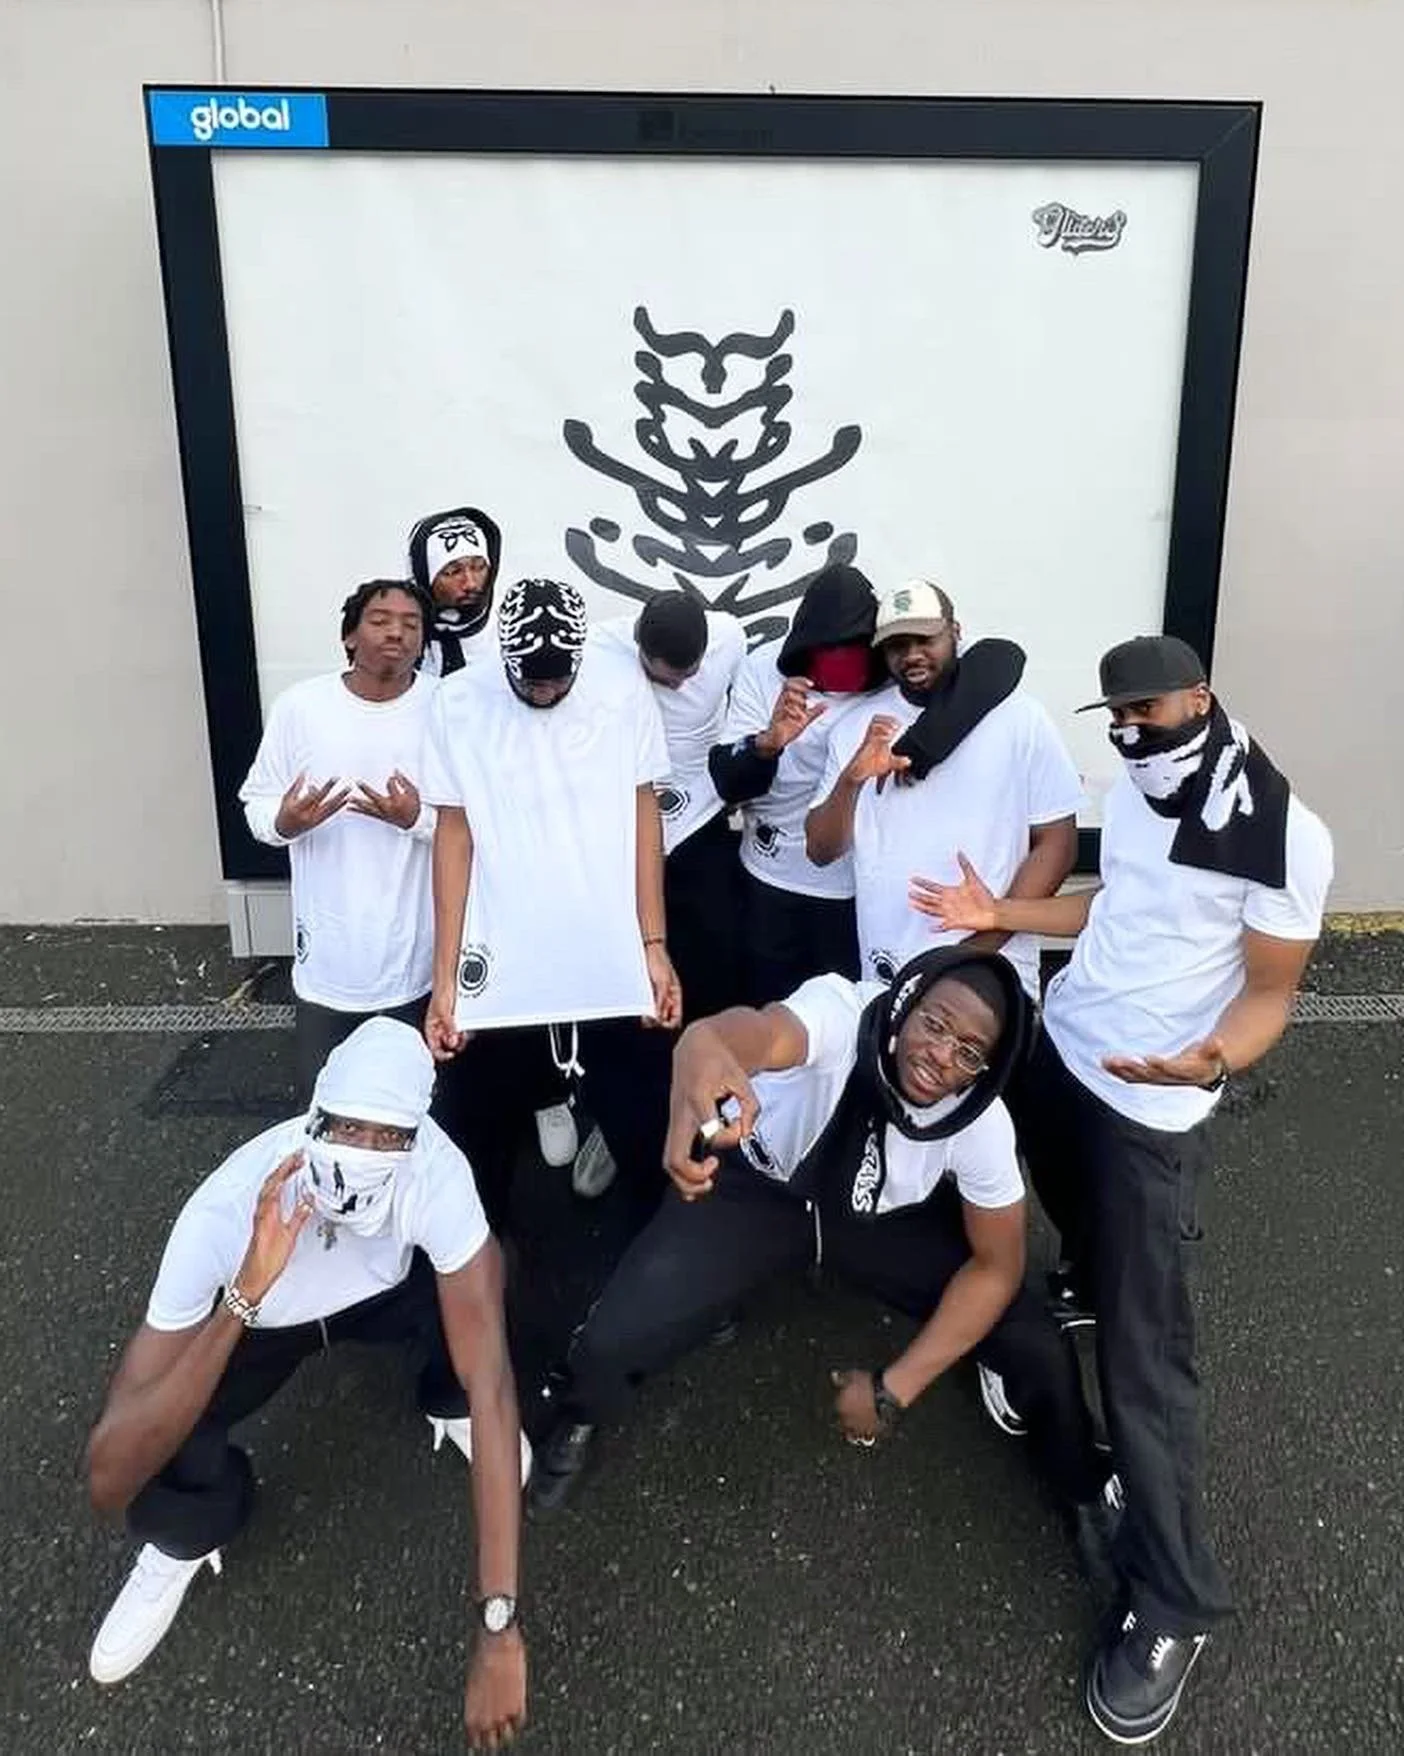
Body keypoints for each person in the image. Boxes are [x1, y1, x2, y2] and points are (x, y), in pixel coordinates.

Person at [911, 635, 1334, 1745]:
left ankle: (1173, 1600)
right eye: (1120, 718)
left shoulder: (1282, 833)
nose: (1135, 734)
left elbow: (1271, 994)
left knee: (1148, 1375)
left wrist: (1215, 1061)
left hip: (1156, 1108)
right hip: (1070, 1052)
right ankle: (1082, 1283)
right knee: (1054, 1201)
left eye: (1151, 711)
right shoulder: (1144, 791)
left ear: (1201, 695)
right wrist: (999, 913)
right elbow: (1115, 908)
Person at [529, 947, 1118, 1588]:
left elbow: (995, 1266)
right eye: (935, 1025)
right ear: (905, 1005)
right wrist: (701, 1047)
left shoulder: (979, 1123)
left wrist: (894, 1390)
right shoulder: (843, 1014)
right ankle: (582, 1409)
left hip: (879, 1224)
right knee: (614, 1335)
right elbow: (754, 1032)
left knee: (1032, 1338)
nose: (943, 1055)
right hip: (762, 1193)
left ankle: (1081, 1483)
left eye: (970, 1052)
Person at [85, 1020, 529, 1749]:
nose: (364, 1152)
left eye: (387, 1137)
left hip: (384, 1294)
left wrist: (499, 1622)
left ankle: (439, 1403)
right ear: (311, 1119)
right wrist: (245, 1294)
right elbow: (106, 1478)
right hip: (262, 1315)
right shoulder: (223, 1213)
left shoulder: (435, 1173)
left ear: (415, 1138)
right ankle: (186, 1532)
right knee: (170, 1421)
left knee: (490, 1281)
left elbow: (494, 1383)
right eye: (347, 1129)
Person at [422, 577, 683, 1240]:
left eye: (557, 681)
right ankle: (477, 1272)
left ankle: (656, 1271)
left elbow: (642, 808)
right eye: (530, 681)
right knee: (478, 1128)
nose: (544, 692)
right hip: (503, 943)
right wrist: (443, 977)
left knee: (643, 1113)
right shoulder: (457, 700)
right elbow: (454, 834)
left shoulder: (622, 689)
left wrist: (654, 945)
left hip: (606, 939)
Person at [806, 578, 1082, 1000]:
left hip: (992, 967)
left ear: (955, 632)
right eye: (898, 645)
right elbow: (821, 851)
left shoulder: (1021, 718)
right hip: (885, 972)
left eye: (926, 638)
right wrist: (852, 780)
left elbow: (1057, 845)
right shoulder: (854, 730)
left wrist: (981, 943)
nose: (913, 654)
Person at [239, 578, 440, 1099]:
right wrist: (287, 822)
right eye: (380, 620)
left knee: (415, 1114)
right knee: (323, 1114)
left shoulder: (446, 709)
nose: (396, 632)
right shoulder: (300, 708)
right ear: (350, 636)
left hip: (417, 968)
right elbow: (257, 806)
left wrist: (417, 818)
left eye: (411, 624)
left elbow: (476, 827)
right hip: (326, 968)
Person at [708, 563, 883, 1004]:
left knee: (846, 1022)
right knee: (767, 1016)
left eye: (855, 650)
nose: (843, 663)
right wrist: (767, 744)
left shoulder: (892, 682)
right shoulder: (765, 669)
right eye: (831, 651)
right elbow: (728, 782)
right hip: (769, 879)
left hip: (857, 887)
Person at [596, 592, 748, 1023]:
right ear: (639, 646)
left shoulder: (731, 639)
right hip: (628, 816)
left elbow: (742, 710)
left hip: (701, 811)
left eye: (689, 675)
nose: (679, 686)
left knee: (714, 946)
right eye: (665, 679)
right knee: (632, 949)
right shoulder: (598, 649)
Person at [407, 506, 503, 679]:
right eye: (452, 572)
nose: (470, 583)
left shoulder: (510, 634)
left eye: (478, 567)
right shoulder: (400, 638)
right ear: (424, 578)